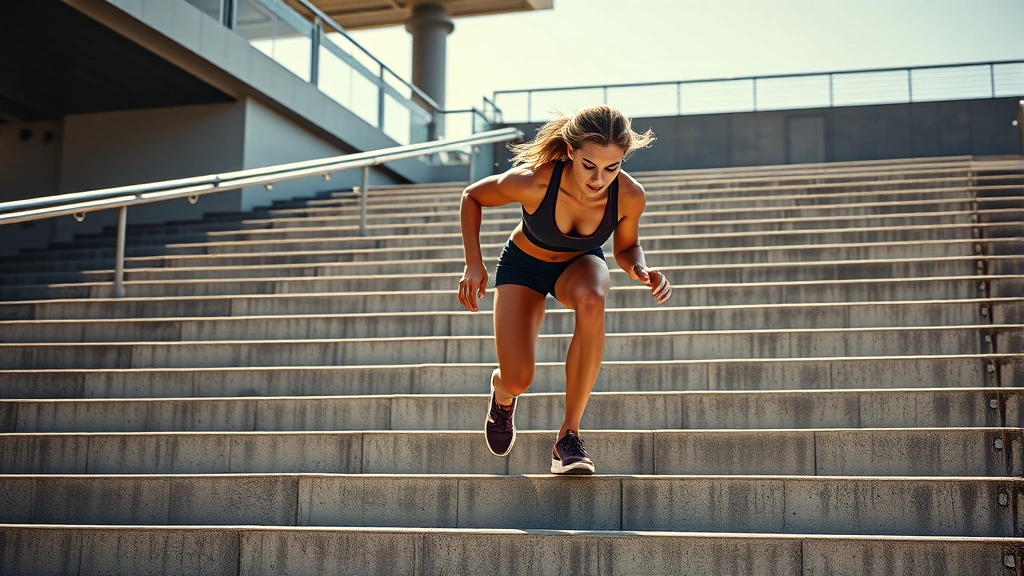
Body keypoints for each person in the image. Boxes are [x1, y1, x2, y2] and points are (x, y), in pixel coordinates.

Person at [458, 104, 671, 475]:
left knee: (593, 298)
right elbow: (472, 197)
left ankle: (567, 436)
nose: (598, 179)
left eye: (612, 167)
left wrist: (640, 267)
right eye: (590, 165)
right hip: (524, 267)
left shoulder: (629, 196)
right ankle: (502, 393)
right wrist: (473, 263)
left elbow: (624, 247)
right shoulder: (535, 181)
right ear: (571, 151)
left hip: (579, 263)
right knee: (518, 377)